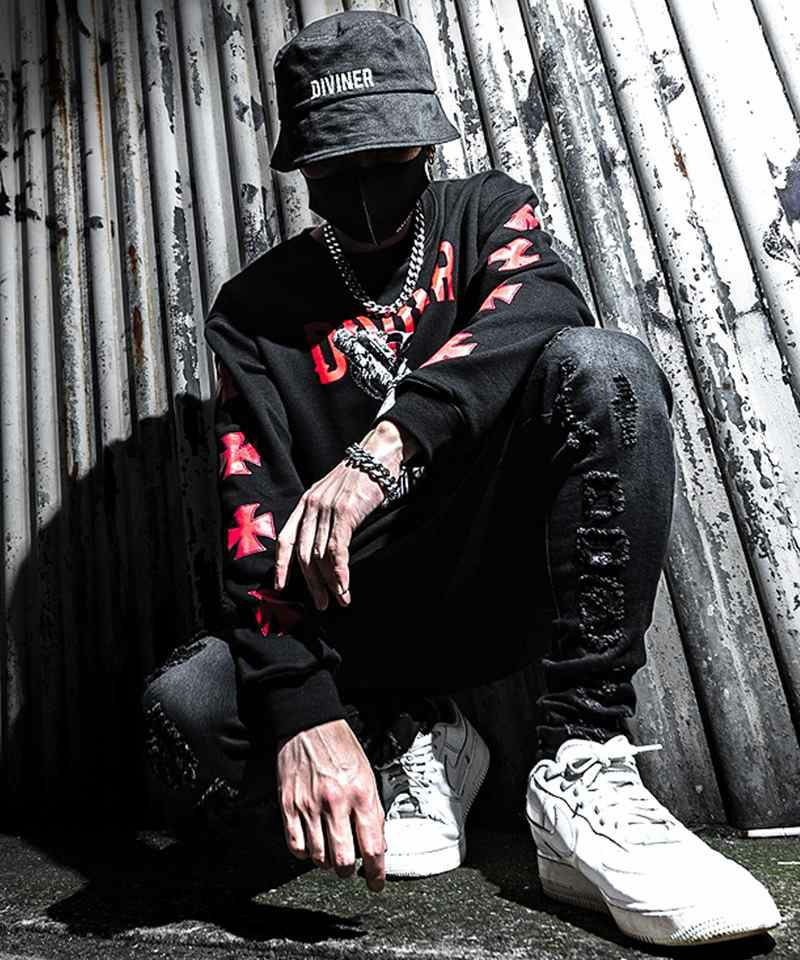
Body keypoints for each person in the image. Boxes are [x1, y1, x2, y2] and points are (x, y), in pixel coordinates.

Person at [140, 9, 781, 947]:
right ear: (302, 167)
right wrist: (304, 710)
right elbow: (254, 517)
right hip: (362, 619)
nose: (367, 186)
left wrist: (385, 447)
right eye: (339, 164)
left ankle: (581, 761)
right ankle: (408, 731)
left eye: (390, 154)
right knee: (187, 709)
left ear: (428, 141)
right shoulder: (253, 311)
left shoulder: (485, 211)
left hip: (500, 575)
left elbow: (545, 303)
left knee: (605, 368)